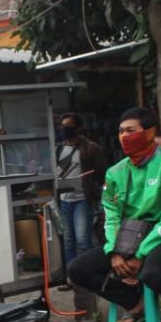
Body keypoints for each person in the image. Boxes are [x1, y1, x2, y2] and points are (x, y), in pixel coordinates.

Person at [68, 107, 161, 322]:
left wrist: (140, 253)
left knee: (151, 273)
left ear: (150, 132)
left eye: (130, 130)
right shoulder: (116, 172)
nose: (124, 136)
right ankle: (134, 303)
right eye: (121, 131)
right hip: (127, 237)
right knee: (78, 269)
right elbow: (111, 215)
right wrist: (114, 251)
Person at [55, 112, 108, 279]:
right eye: (62, 127)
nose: (64, 130)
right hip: (64, 200)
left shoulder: (91, 148)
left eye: (68, 127)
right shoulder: (59, 148)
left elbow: (103, 174)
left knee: (82, 239)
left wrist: (99, 195)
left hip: (82, 199)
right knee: (68, 241)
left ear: (78, 128)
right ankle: (73, 277)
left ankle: (92, 273)